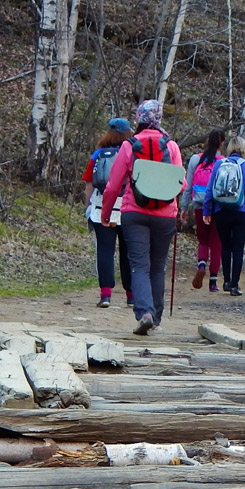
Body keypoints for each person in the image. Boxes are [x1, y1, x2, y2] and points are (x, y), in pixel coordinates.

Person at [101, 99, 185, 334]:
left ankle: (144, 312)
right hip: (165, 215)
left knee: (139, 266)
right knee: (157, 267)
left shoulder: (129, 145)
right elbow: (182, 184)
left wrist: (106, 214)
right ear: (159, 118)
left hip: (134, 212)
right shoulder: (172, 147)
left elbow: (113, 185)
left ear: (138, 118)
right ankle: (155, 319)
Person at [200, 135, 245, 297]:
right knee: (238, 249)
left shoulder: (219, 163)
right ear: (244, 149)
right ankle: (235, 286)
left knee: (225, 246)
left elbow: (210, 189)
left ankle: (226, 281)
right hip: (241, 212)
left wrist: (206, 211)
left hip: (221, 211)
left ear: (229, 148)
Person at [84, 118, 133, 308]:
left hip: (101, 207)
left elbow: (89, 184)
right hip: (126, 209)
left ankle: (105, 295)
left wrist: (88, 206)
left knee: (104, 251)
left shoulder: (98, 154)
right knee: (128, 253)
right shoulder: (131, 153)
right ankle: (131, 296)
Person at [183, 129, 225, 292]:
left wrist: (184, 208)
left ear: (207, 141)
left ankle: (201, 265)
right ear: (222, 143)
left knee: (203, 241)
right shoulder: (223, 162)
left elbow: (188, 186)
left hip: (199, 205)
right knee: (216, 244)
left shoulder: (195, 159)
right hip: (219, 207)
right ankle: (213, 282)